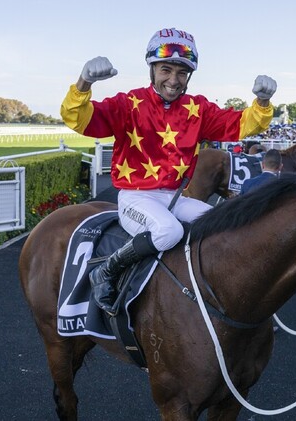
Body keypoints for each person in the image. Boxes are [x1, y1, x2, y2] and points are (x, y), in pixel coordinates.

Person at [60, 27, 277, 314]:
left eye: (182, 73)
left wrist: (261, 104)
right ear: (152, 69)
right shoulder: (128, 103)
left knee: (223, 224)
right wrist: (83, 84)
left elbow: (241, 124)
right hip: (135, 198)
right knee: (168, 231)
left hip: (175, 197)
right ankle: (106, 271)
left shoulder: (198, 108)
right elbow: (79, 120)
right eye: (166, 70)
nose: (173, 81)